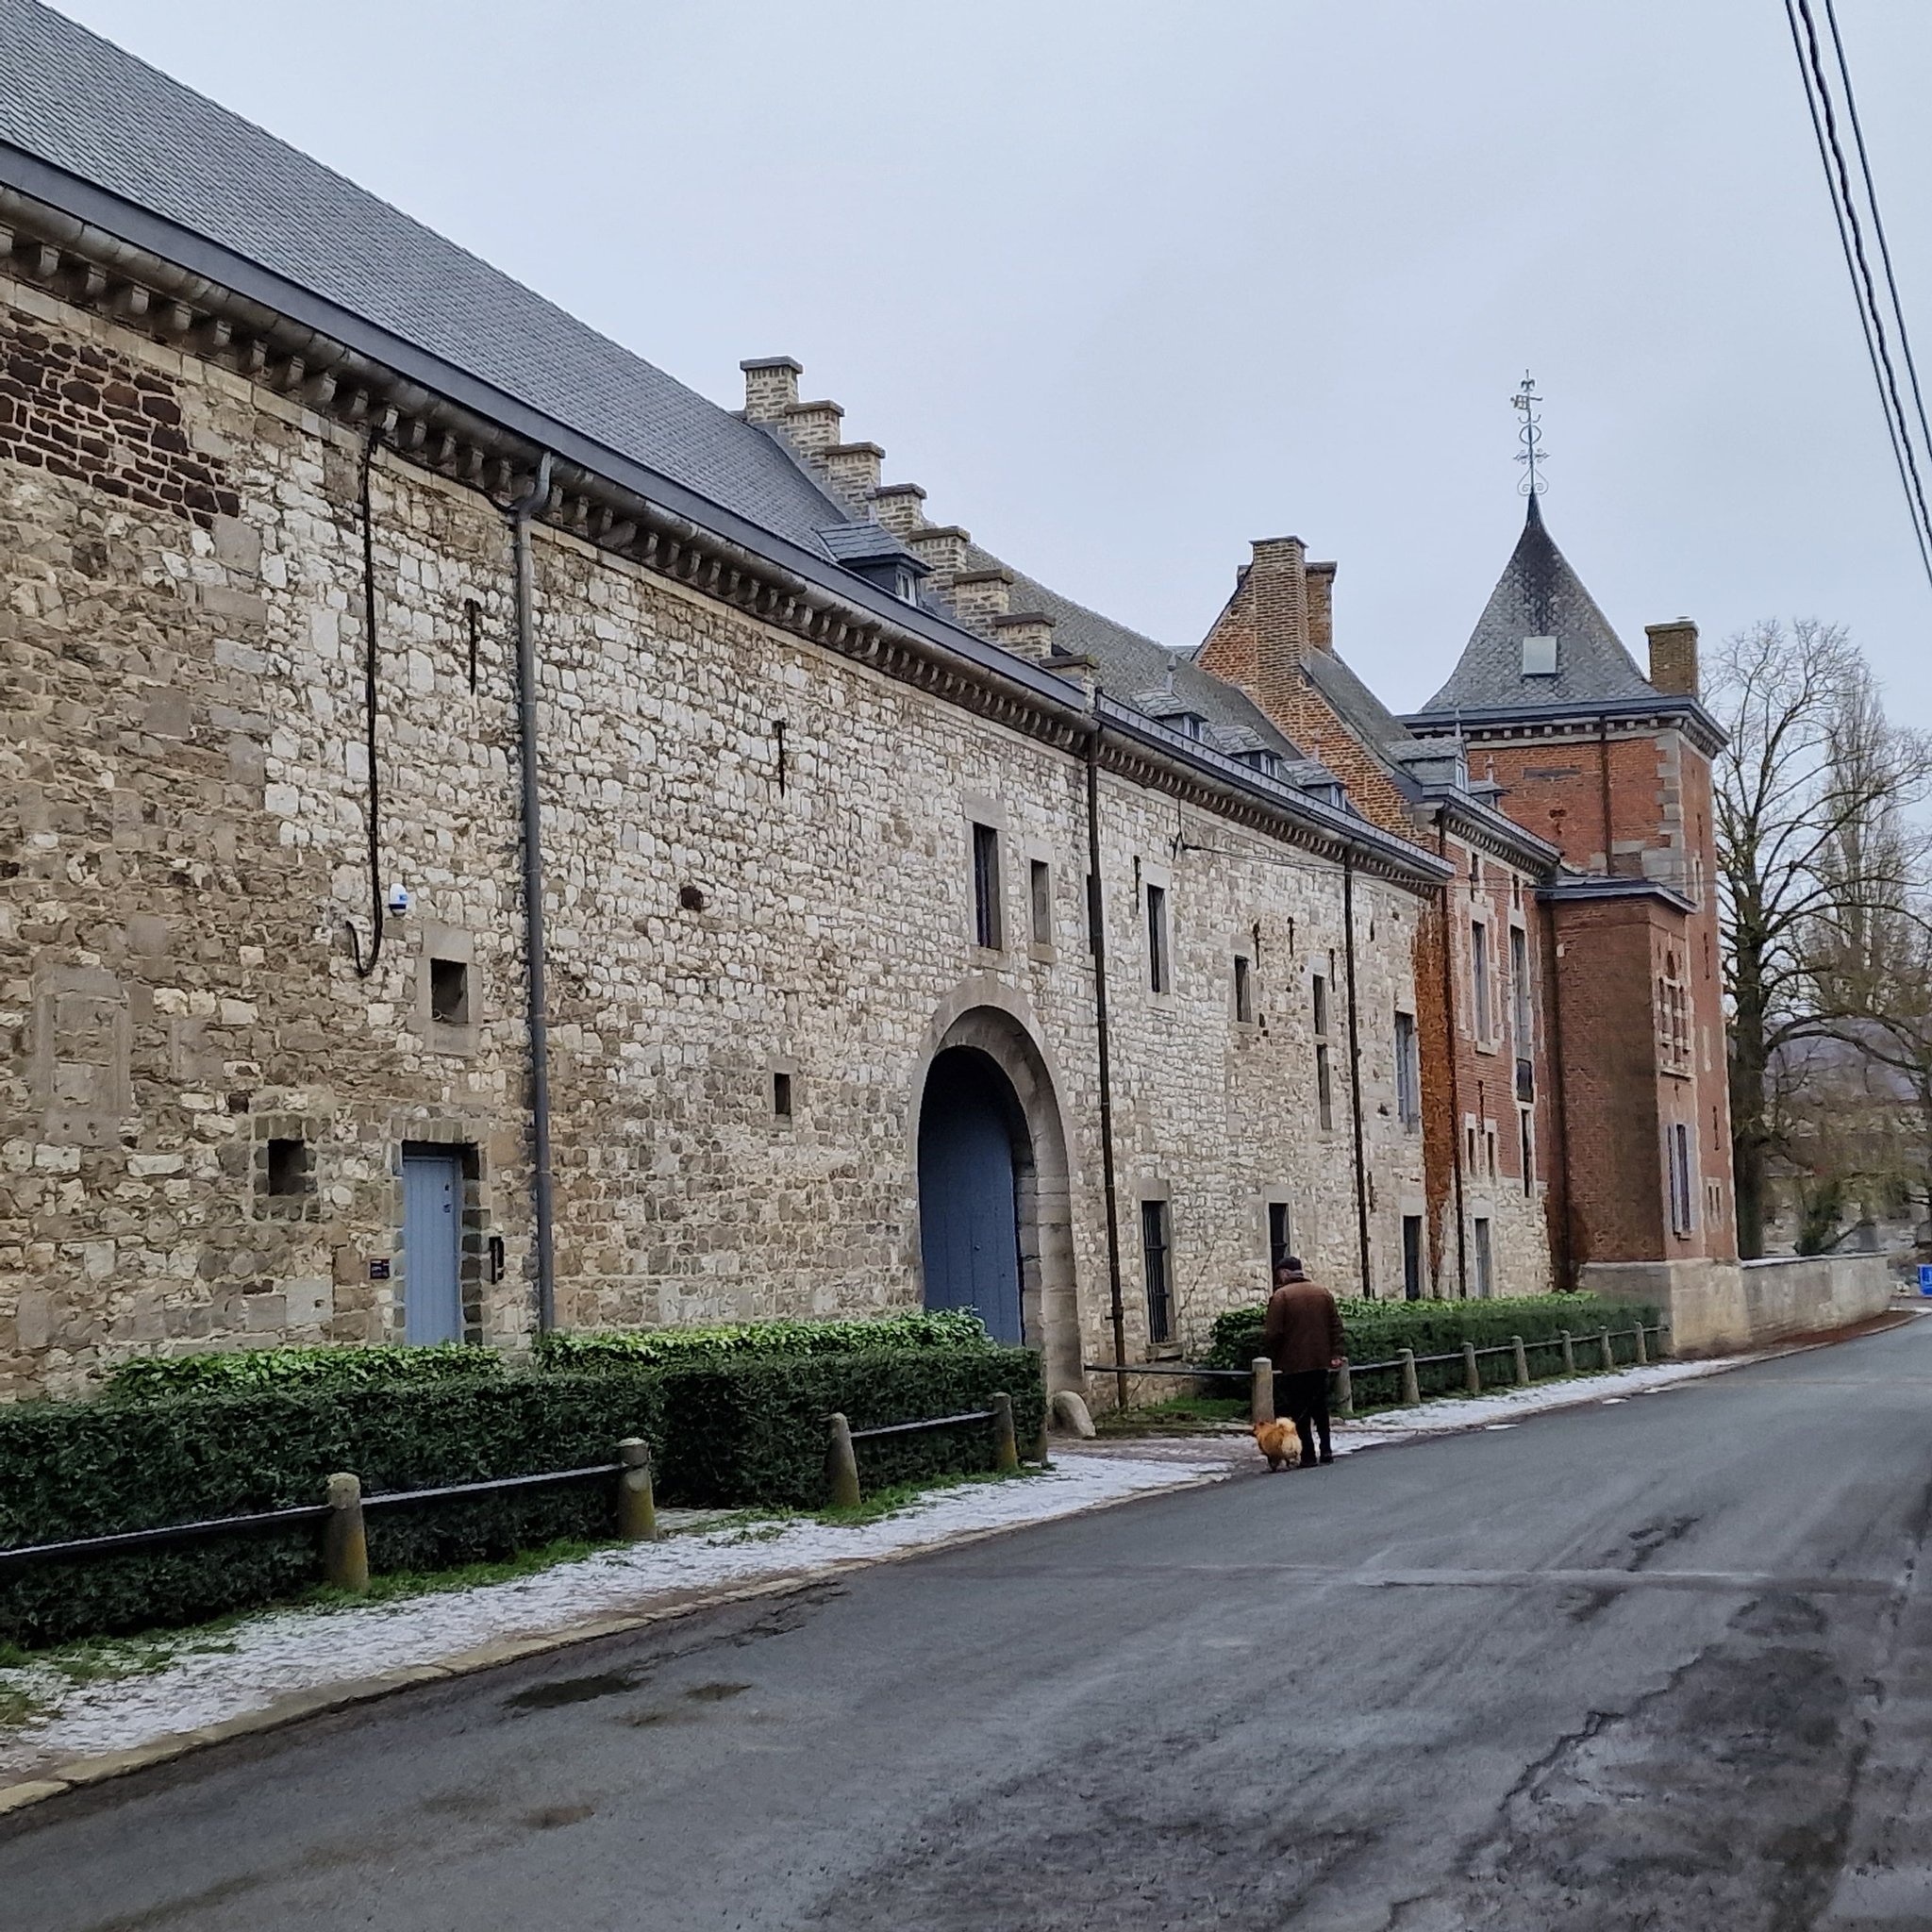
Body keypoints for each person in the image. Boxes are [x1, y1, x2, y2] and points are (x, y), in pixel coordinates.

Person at [1260, 1257, 1345, 1468]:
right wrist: (1335, 1353)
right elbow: (1336, 1325)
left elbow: (1274, 1333)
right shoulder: (1322, 1292)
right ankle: (1326, 1450)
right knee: (1320, 1407)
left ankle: (1308, 1454)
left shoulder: (1281, 1297)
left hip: (1293, 1363)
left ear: (1285, 1273)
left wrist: (1274, 1355)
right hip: (1320, 1361)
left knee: (1300, 1410)